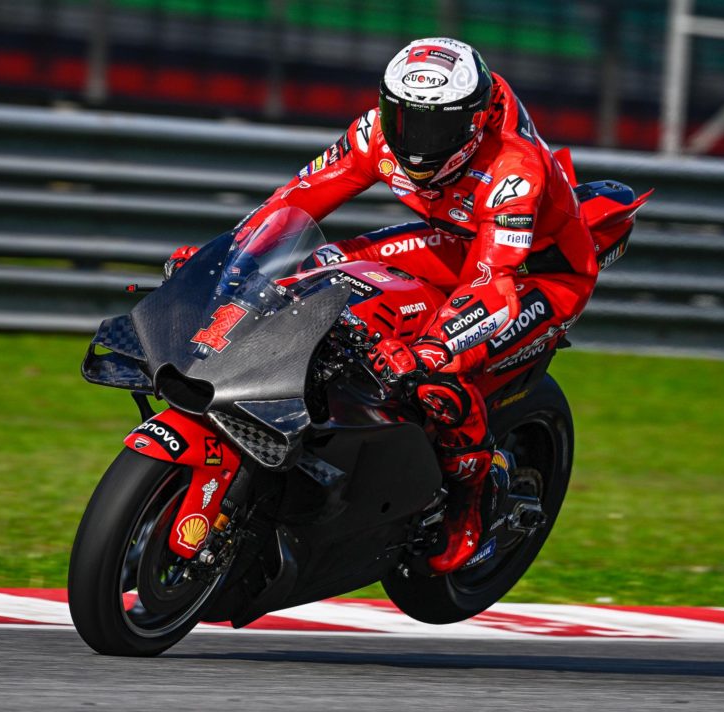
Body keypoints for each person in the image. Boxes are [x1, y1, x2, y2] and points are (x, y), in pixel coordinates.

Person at [168, 38, 601, 574]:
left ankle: (471, 500)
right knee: (318, 267)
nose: (414, 140)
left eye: (435, 127)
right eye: (403, 118)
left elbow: (492, 285)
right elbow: (294, 201)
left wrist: (432, 347)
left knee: (436, 373)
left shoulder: (514, 168)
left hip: (540, 273)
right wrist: (228, 262)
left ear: (472, 122)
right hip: (458, 240)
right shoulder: (374, 132)